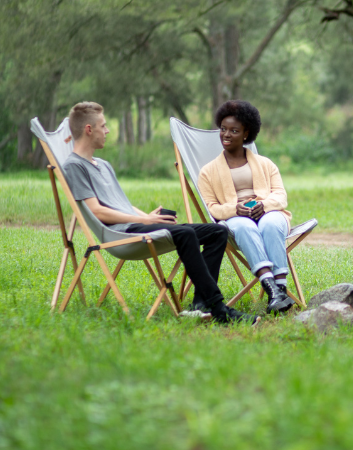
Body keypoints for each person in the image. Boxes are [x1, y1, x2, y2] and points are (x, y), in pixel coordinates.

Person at [60, 101, 257, 325]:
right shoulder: (74, 166)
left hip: (137, 224)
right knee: (185, 234)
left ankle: (200, 305)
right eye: (103, 126)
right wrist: (144, 219)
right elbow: (97, 211)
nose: (107, 131)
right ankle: (219, 309)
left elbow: (119, 203)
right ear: (88, 129)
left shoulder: (102, 164)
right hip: (121, 235)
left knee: (216, 232)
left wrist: (149, 216)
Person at [198, 100, 295, 315]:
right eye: (223, 129)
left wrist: (264, 205)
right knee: (243, 226)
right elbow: (212, 208)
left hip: (269, 213)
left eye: (234, 130)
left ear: (246, 133)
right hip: (236, 218)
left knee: (270, 223)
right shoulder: (207, 172)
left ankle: (280, 288)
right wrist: (235, 208)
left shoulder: (266, 164)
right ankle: (273, 290)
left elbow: (280, 196)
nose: (226, 134)